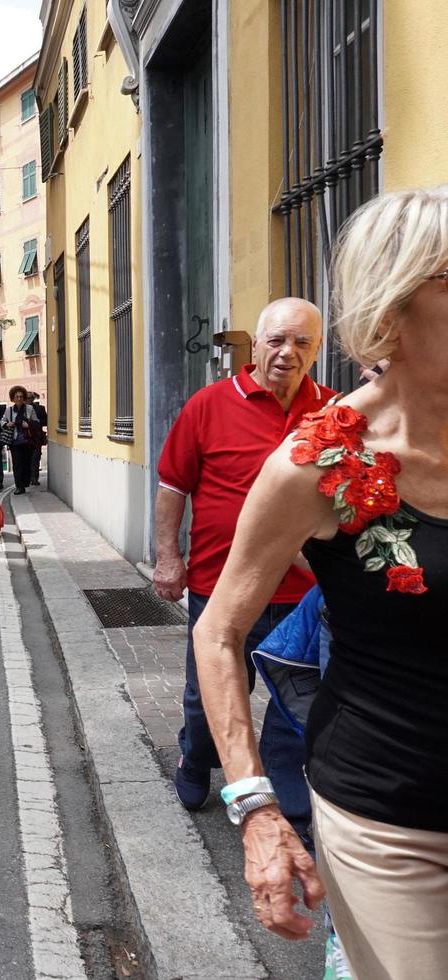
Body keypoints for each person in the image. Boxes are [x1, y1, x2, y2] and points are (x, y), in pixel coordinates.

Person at [193, 187, 448, 977]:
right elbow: (219, 631)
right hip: (391, 824)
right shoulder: (316, 464)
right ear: (392, 308)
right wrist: (256, 810)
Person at [153, 296, 332, 841]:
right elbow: (173, 486)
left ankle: (289, 806)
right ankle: (196, 758)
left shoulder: (336, 411)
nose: (287, 352)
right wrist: (168, 556)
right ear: (255, 345)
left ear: (317, 350)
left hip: (303, 593)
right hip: (219, 585)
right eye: (276, 340)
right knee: (206, 698)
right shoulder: (208, 405)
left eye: (302, 342)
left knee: (293, 705)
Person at [2, 385, 42, 494]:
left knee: (26, 463)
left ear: (23, 397)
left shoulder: (29, 409)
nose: (19, 398)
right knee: (17, 464)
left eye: (21, 396)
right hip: (14, 442)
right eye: (16, 396)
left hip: (27, 441)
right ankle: (19, 486)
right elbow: (2, 422)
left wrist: (28, 424)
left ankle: (24, 482)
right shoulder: (9, 410)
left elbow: (37, 422)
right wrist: (7, 424)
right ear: (13, 398)